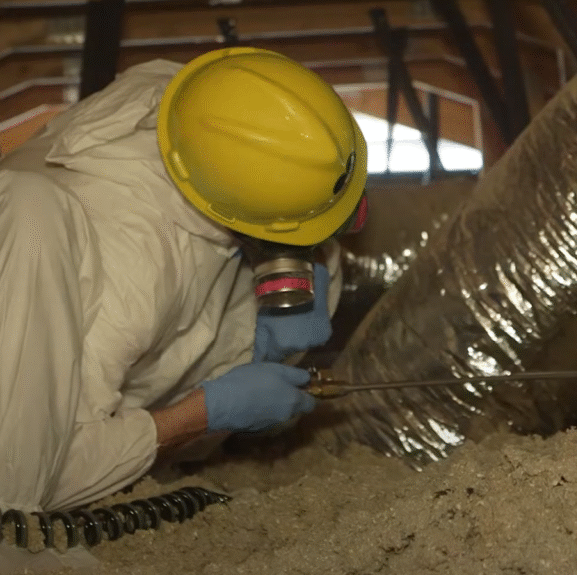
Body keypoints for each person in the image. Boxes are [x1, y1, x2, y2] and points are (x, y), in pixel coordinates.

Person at [0, 47, 368, 514]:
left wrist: (267, 352)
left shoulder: (205, 101)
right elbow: (31, 482)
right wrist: (199, 416)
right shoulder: (126, 283)